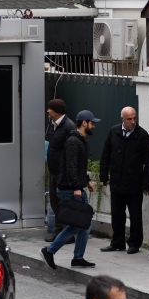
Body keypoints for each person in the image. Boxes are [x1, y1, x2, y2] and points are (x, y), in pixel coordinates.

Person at [42, 110, 99, 269]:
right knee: (80, 224)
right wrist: (76, 187)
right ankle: (50, 251)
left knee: (82, 225)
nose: (94, 126)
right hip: (70, 189)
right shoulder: (74, 141)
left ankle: (77, 257)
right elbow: (71, 166)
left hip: (73, 187)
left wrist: (86, 181)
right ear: (84, 123)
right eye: (92, 122)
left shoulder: (79, 140)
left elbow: (77, 166)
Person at [99, 107, 149, 254]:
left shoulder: (142, 135)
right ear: (122, 118)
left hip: (134, 182)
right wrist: (104, 176)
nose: (133, 122)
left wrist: (147, 183)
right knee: (117, 214)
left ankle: (134, 243)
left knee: (135, 215)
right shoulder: (114, 132)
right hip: (116, 181)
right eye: (129, 119)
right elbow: (105, 155)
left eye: (135, 118)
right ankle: (117, 242)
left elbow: (148, 162)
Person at [45, 99, 76, 243]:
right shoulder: (54, 125)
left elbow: (72, 151)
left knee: (62, 203)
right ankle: (60, 232)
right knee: (55, 202)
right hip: (54, 171)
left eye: (50, 109)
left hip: (62, 173)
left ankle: (65, 233)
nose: (48, 111)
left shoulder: (68, 127)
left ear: (56, 111)